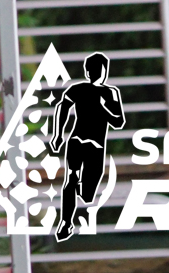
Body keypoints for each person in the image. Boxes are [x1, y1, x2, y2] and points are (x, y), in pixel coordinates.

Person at [52, 51, 124, 240]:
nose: (96, 73)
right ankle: (66, 222)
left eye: (98, 69)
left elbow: (118, 122)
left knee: (87, 194)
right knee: (71, 178)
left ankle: (75, 192)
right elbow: (62, 107)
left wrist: (102, 108)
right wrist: (58, 134)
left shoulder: (110, 92)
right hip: (78, 141)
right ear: (87, 71)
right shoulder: (78, 89)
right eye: (92, 69)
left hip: (95, 146)